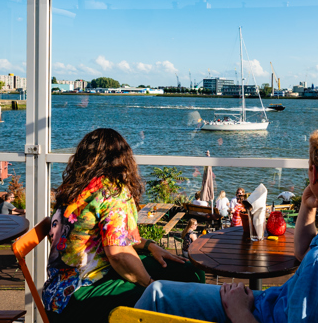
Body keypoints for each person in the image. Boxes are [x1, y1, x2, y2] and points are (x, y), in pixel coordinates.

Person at [135, 126, 318, 323]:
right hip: (274, 303)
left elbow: (313, 262)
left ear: (314, 174)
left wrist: (239, 311)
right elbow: (303, 253)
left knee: (157, 295)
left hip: (258, 314)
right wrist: (307, 206)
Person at [41, 128, 204, 323]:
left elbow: (110, 238)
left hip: (57, 293)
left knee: (186, 271)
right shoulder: (112, 193)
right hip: (77, 298)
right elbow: (117, 254)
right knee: (174, 291)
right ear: (123, 160)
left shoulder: (74, 188)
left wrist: (149, 245)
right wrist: (150, 285)